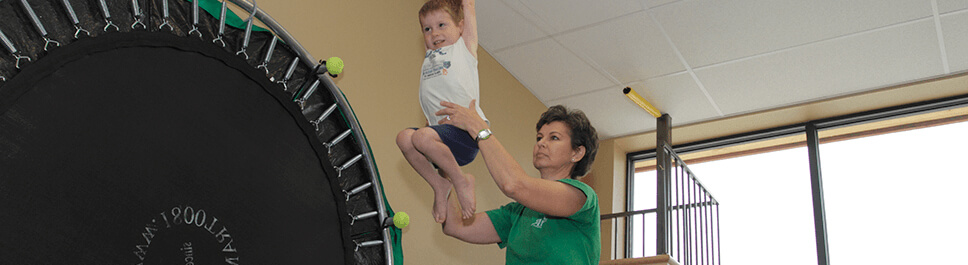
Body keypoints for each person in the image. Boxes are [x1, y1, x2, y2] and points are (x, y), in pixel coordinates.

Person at [436, 101, 602, 264]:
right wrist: (442, 159)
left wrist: (478, 127)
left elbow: (514, 185)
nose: (541, 143)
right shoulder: (518, 212)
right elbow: (454, 225)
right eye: (539, 137)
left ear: (577, 152)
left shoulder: (581, 197)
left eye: (554, 138)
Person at [396, 0, 486, 223]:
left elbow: (468, 7)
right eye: (427, 29)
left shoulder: (464, 49)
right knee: (405, 138)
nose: (434, 33)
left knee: (421, 136)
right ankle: (439, 184)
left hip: (465, 135)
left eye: (442, 25)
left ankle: (461, 180)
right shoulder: (430, 56)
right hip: (440, 138)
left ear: (461, 26)